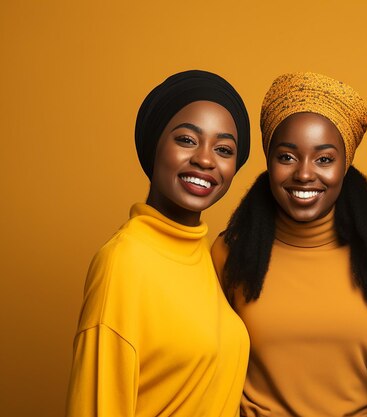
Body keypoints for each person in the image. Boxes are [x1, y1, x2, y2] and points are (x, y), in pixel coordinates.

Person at [211, 72, 367, 417]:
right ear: (269, 161)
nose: (304, 174)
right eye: (287, 157)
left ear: (345, 166)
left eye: (324, 159)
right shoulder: (228, 254)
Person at [66, 70, 251, 417]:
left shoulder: (207, 258)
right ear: (155, 145)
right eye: (186, 139)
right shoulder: (124, 261)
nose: (206, 160)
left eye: (223, 148)